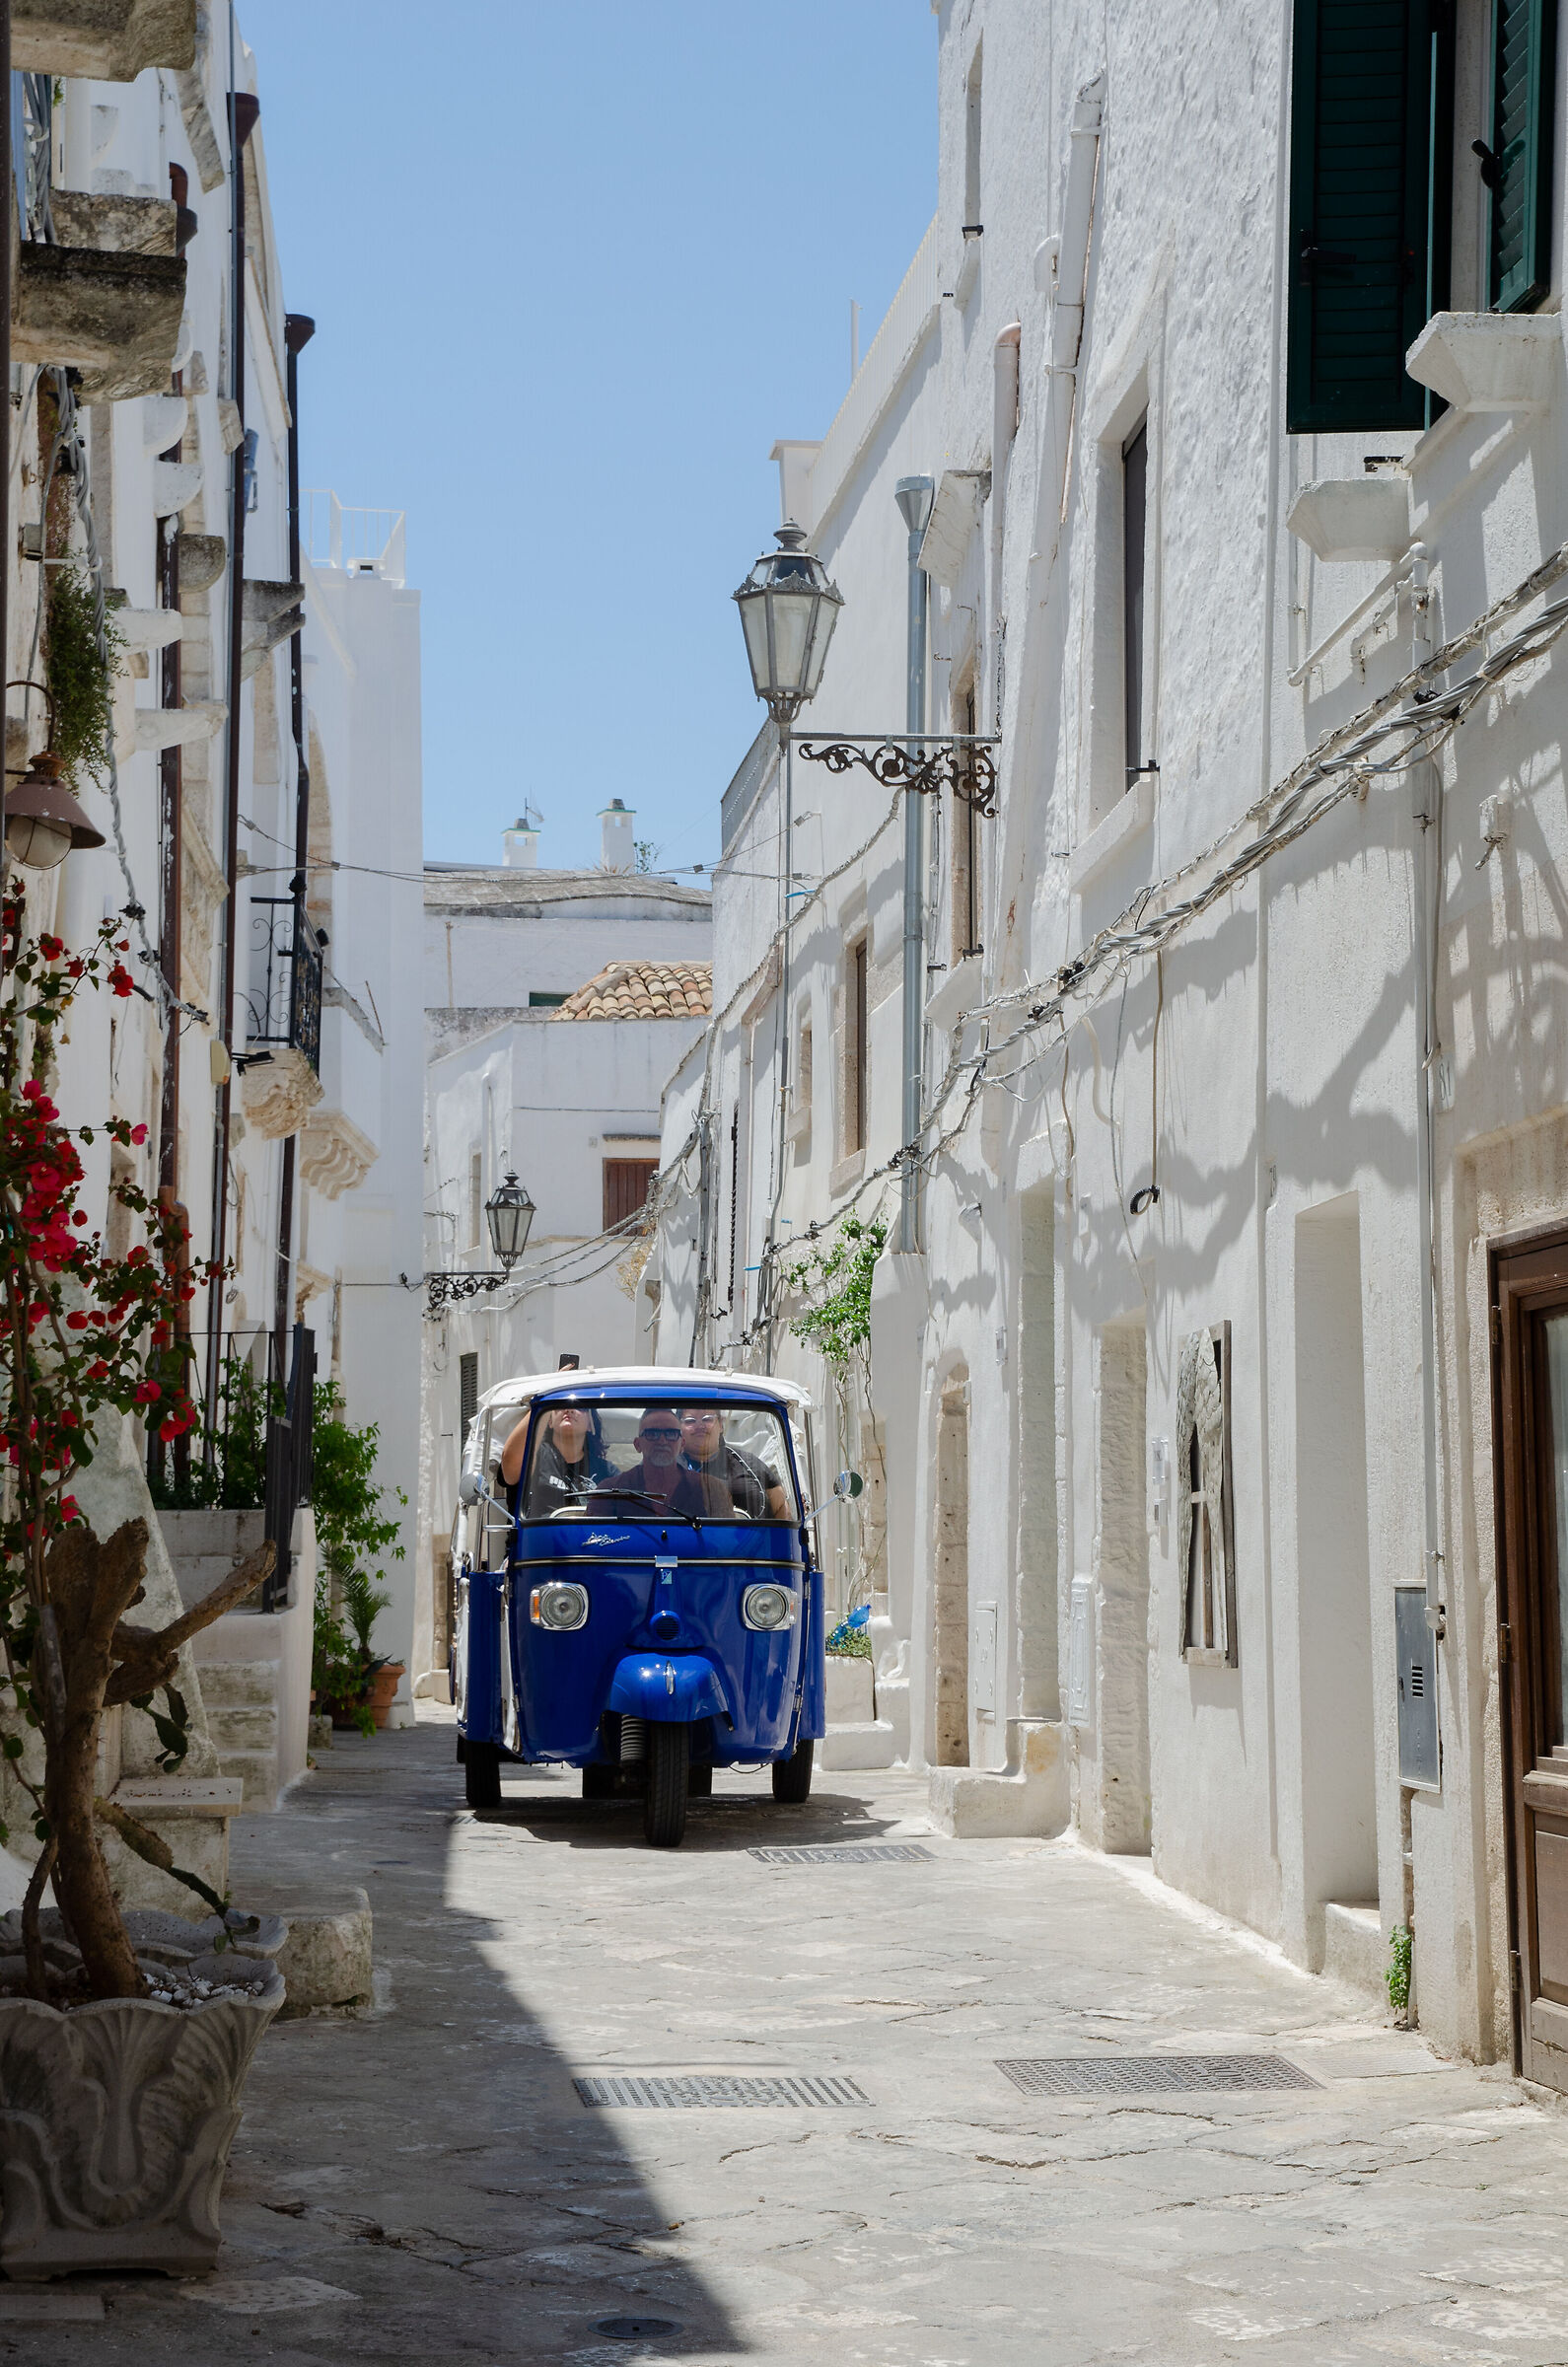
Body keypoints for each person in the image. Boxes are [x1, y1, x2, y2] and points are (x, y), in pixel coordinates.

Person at [669, 1406, 789, 1521]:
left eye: (707, 1419)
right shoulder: (668, 1467)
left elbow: (780, 1506)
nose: (700, 1426)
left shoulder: (748, 1463)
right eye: (690, 1421)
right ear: (679, 1428)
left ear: (721, 1425)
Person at [501, 1403, 611, 1516]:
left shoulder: (607, 1471)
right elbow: (511, 1467)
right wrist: (544, 1403)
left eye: (580, 1407)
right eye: (560, 1405)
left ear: (590, 1425)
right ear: (549, 1421)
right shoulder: (532, 1455)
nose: (569, 1409)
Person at [610, 1406, 684, 1507]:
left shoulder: (702, 1488)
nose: (662, 1441)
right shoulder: (611, 1491)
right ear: (637, 1444)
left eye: (671, 1434)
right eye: (652, 1434)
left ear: (682, 1445)